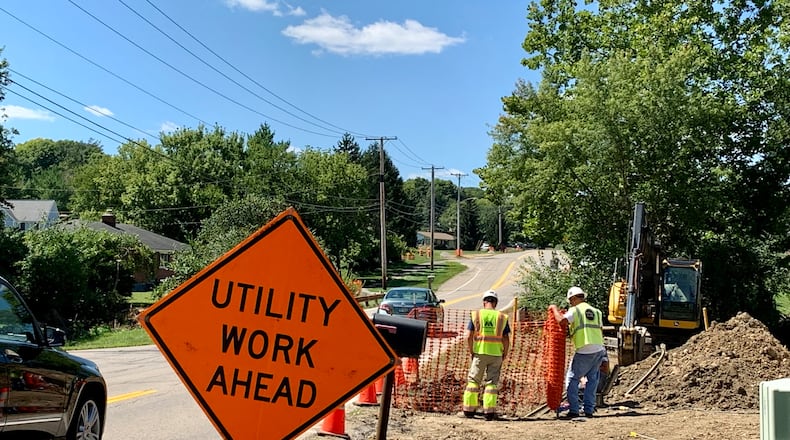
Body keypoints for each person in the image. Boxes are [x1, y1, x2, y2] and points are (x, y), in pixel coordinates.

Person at [549, 286, 606, 419]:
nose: (570, 303)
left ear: (574, 298)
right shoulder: (596, 311)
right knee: (592, 380)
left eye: (570, 300)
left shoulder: (576, 310)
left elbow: (562, 321)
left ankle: (574, 409)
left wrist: (554, 309)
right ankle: (589, 410)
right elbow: (600, 330)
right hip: (599, 348)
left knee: (572, 378)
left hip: (585, 348)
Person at [462, 290, 511, 420]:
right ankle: (489, 412)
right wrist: (504, 353)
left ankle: (468, 410)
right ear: (495, 303)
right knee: (491, 383)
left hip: (480, 353)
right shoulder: (502, 317)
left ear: (484, 302)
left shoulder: (476, 315)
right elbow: (506, 338)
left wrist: (471, 351)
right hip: (496, 354)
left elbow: (468, 336)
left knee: (473, 381)